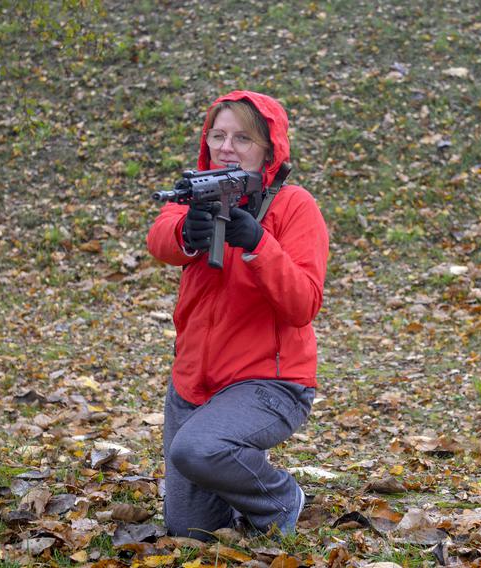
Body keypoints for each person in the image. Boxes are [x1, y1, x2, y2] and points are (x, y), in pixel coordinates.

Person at [146, 90, 329, 539]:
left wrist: (259, 244)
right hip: (193, 382)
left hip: (270, 383)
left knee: (198, 449)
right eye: (218, 135)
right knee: (187, 530)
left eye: (242, 138)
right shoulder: (198, 192)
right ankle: (235, 478)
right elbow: (160, 240)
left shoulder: (294, 206)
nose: (226, 148)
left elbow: (303, 303)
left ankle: (279, 496)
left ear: (269, 147)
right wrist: (185, 232)